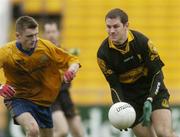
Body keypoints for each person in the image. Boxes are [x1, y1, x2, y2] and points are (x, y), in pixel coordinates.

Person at [97, 8, 177, 137]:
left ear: (126, 25)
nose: (111, 31)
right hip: (131, 101)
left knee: (164, 133)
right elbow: (114, 86)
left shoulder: (142, 42)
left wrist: (150, 99)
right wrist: (120, 109)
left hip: (153, 92)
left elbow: (157, 74)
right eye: (108, 27)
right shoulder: (103, 54)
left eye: (116, 26)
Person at [0, 16, 80, 137]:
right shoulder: (6, 53)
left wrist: (72, 70)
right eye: (29, 36)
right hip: (18, 98)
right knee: (33, 129)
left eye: (36, 35)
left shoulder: (46, 47)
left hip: (43, 101)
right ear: (18, 36)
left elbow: (72, 60)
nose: (34, 39)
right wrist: (0, 87)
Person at [43, 21, 84, 137]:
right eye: (48, 32)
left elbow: (74, 65)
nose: (51, 35)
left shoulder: (65, 53)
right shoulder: (41, 55)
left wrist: (73, 68)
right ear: (44, 35)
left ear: (58, 33)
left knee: (79, 133)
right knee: (62, 131)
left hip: (65, 95)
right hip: (51, 98)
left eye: (53, 31)